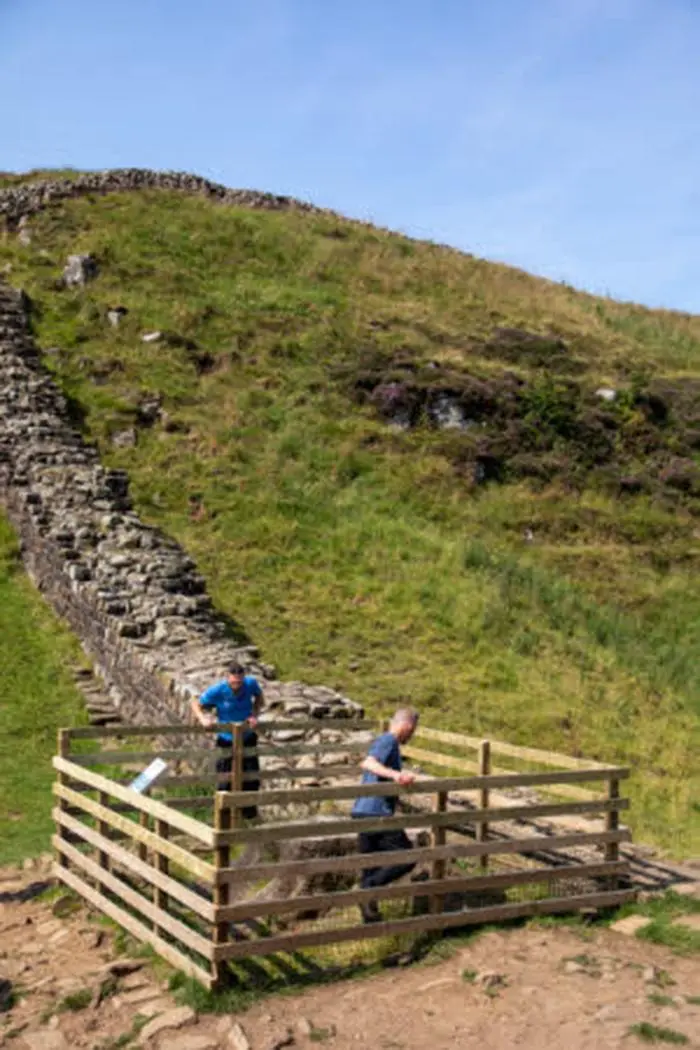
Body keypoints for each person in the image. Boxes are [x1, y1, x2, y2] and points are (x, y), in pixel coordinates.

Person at [351, 708, 419, 923]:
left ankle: (370, 920)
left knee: (371, 865)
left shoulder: (387, 743)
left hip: (362, 810)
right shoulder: (388, 741)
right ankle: (370, 889)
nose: (412, 735)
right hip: (376, 812)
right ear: (407, 726)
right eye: (413, 731)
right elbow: (368, 763)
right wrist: (397, 775)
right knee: (407, 856)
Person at [190, 662, 264, 819]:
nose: (236, 685)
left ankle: (248, 816)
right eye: (233, 682)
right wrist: (203, 719)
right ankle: (223, 814)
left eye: (239, 682)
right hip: (226, 738)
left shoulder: (250, 684)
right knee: (225, 778)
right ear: (227, 678)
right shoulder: (218, 690)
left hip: (247, 736)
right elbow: (196, 703)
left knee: (251, 776)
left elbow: (259, 696)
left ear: (243, 678)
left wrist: (254, 714)